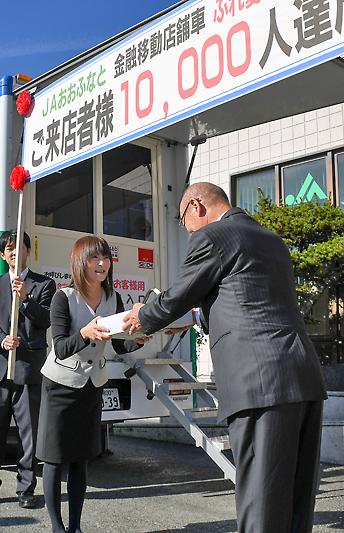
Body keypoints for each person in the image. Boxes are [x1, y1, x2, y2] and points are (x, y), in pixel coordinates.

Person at [123, 182, 327, 533]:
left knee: (261, 498)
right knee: (295, 497)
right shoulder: (271, 239)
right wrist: (193, 319)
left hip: (260, 382)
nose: (187, 231)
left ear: (197, 206)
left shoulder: (213, 236)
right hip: (302, 376)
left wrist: (144, 315)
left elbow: (176, 297)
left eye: (184, 221)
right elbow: (244, 299)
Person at [37, 235, 148, 533]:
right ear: (79, 263)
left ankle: (75, 527)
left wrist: (137, 341)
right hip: (59, 385)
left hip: (91, 385)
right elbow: (59, 347)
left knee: (80, 459)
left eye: (105, 258)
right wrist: (85, 333)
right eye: (93, 258)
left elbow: (120, 347)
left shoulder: (115, 299)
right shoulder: (64, 298)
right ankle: (57, 528)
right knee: (54, 459)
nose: (101, 264)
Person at [0, 230, 56, 509]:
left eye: (20, 247)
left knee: (28, 434)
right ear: (3, 255)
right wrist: (1, 341)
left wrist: (26, 300)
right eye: (9, 248)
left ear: (29, 251)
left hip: (28, 370)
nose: (15, 252)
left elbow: (47, 319)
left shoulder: (44, 284)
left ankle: (26, 488)